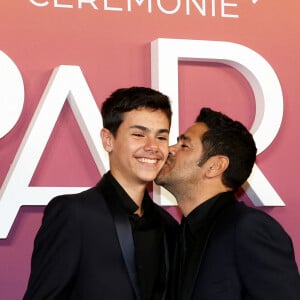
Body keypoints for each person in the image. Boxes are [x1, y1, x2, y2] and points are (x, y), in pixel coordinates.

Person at [23, 86, 178, 300]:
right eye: (138, 134)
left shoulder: (168, 226)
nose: (152, 146)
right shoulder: (74, 214)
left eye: (161, 137)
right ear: (108, 140)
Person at [155, 107, 300, 300]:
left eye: (184, 145)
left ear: (215, 166)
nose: (169, 150)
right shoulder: (178, 234)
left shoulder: (248, 228)